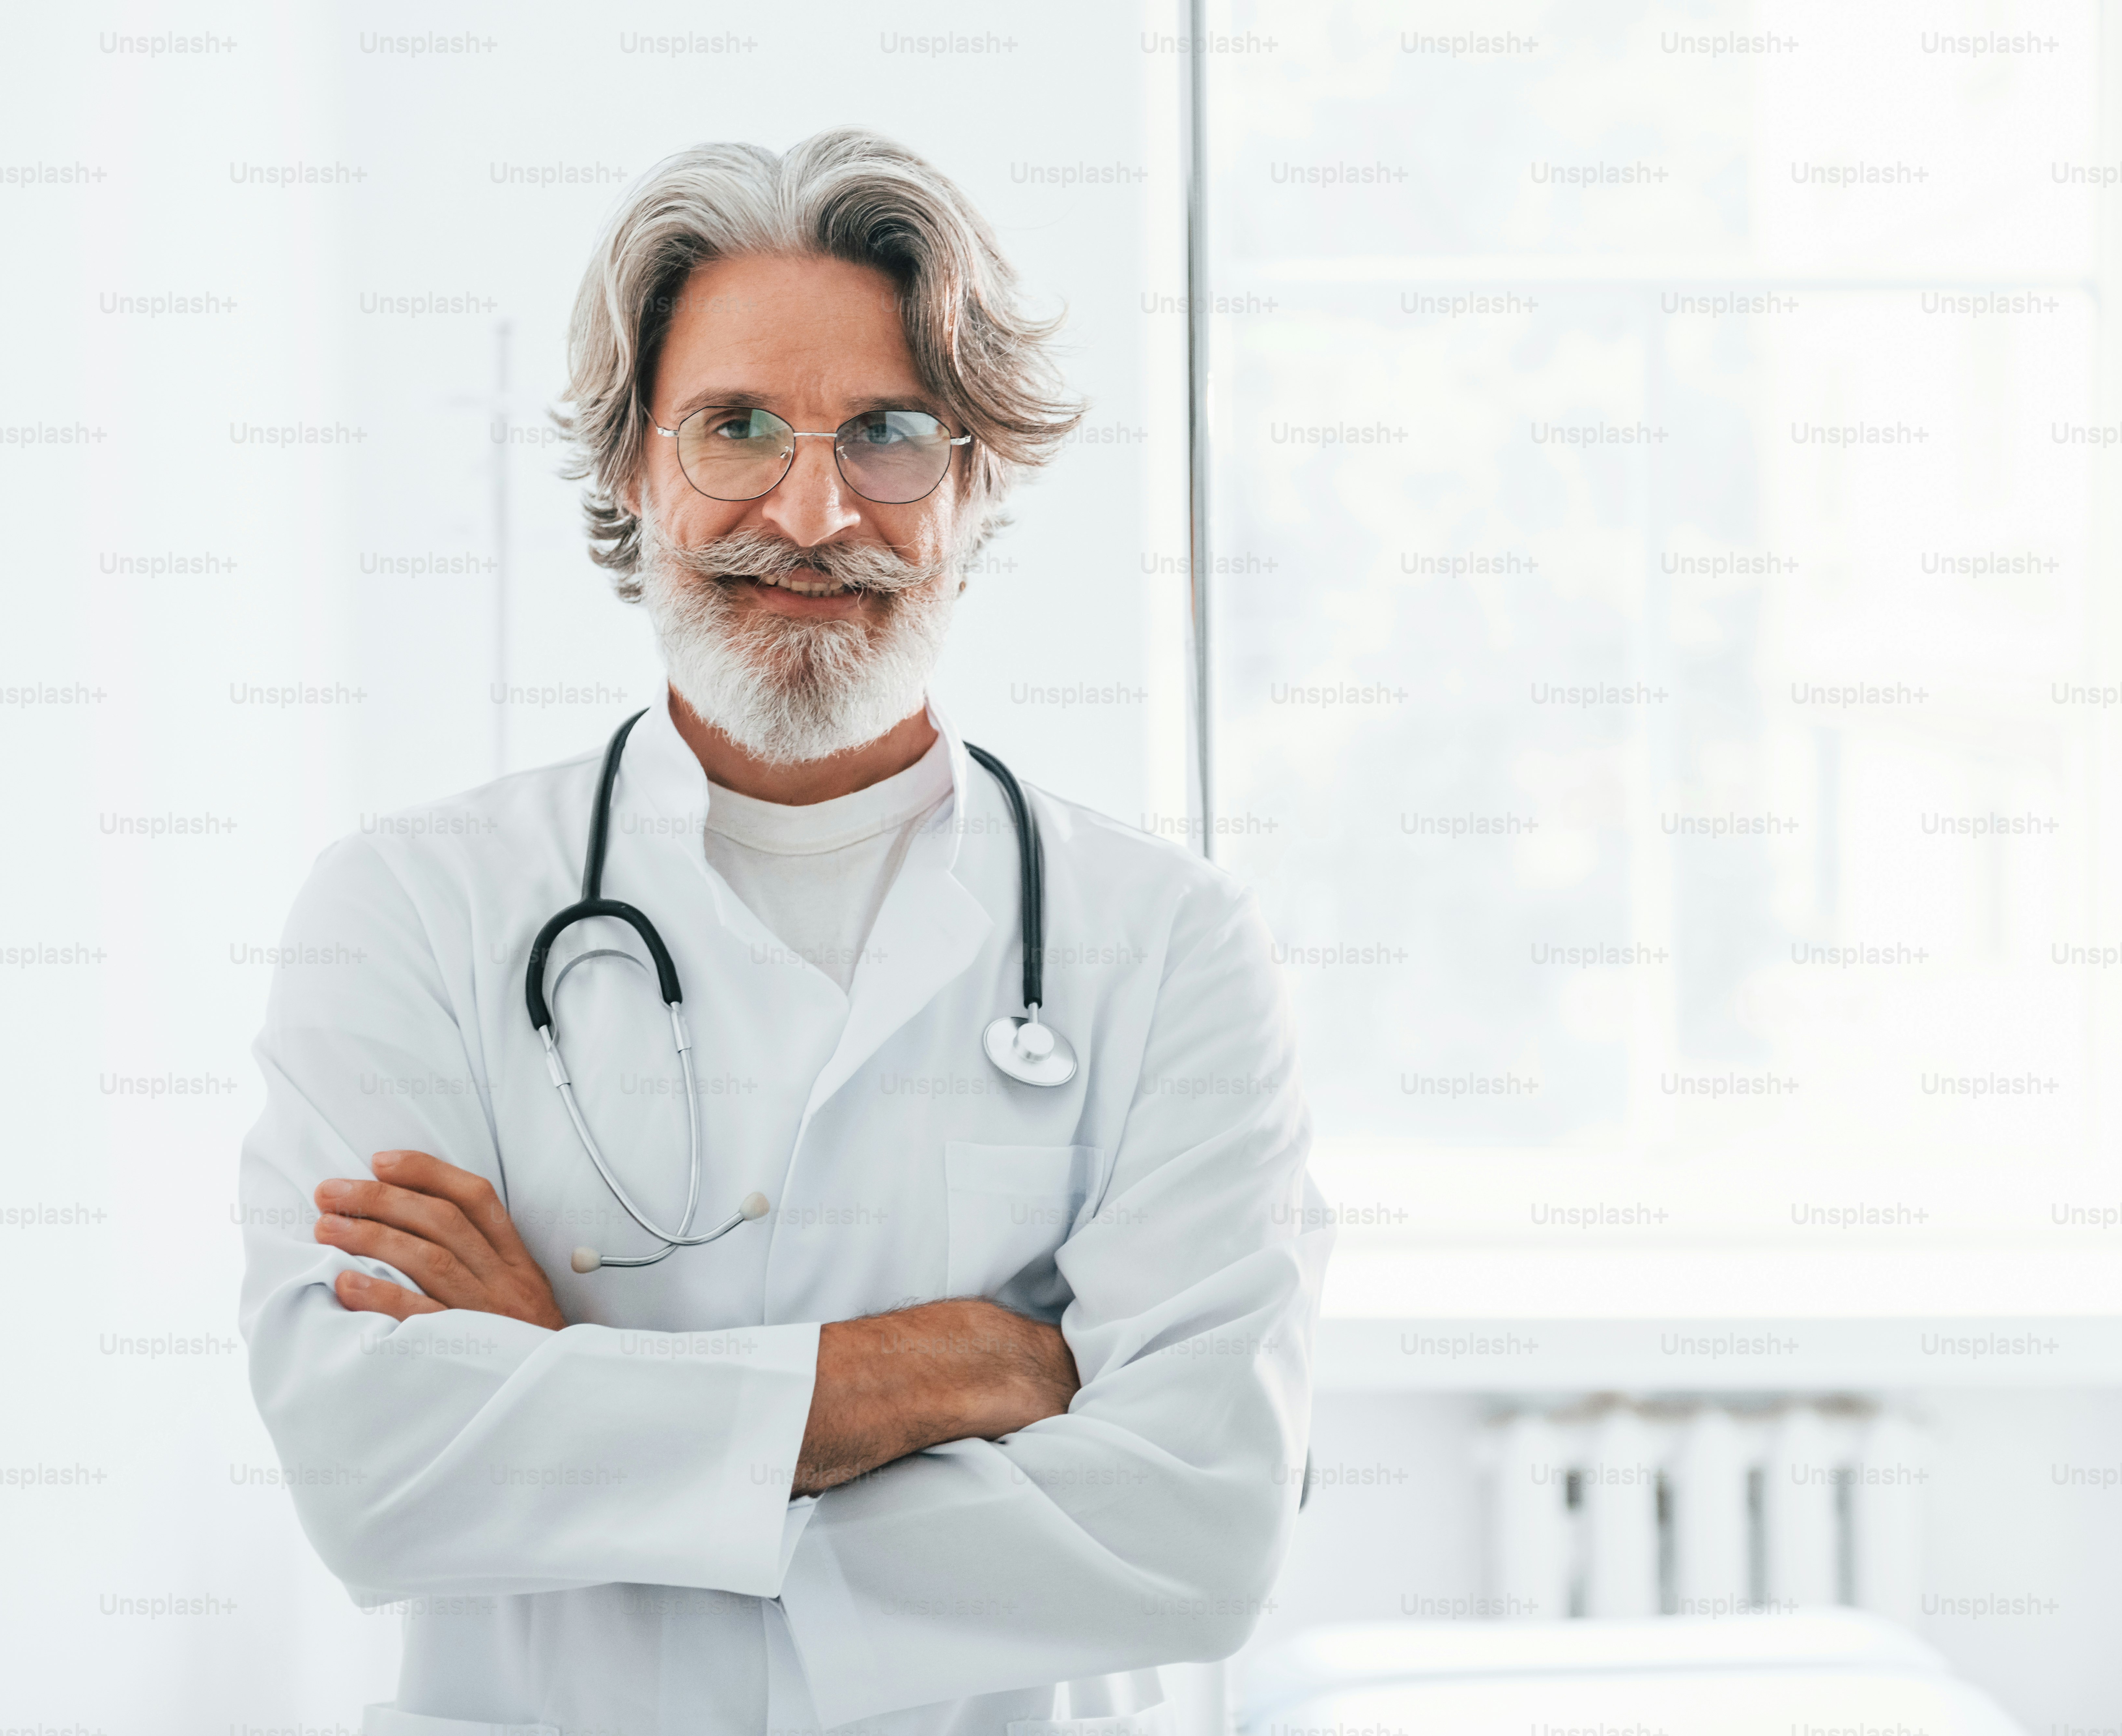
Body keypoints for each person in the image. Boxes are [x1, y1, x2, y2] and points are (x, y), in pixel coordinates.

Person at [237, 128, 1330, 1736]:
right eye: (736, 426)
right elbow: (376, 1472)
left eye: (889, 433)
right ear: (630, 468)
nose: (813, 511)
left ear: (973, 481)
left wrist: (573, 1402)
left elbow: (1201, 1527)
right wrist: (943, 1368)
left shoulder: (1170, 942)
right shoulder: (411, 906)